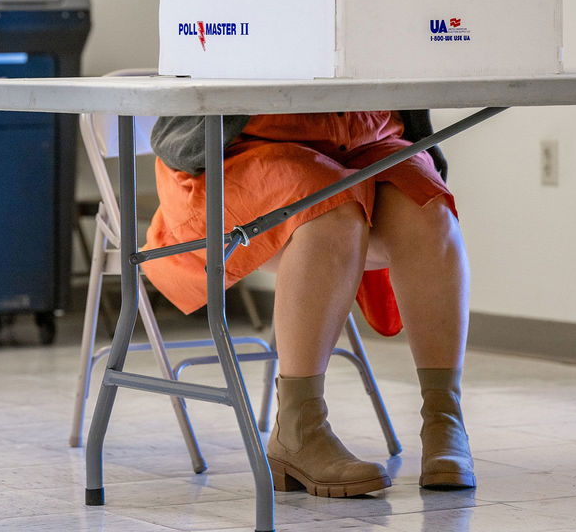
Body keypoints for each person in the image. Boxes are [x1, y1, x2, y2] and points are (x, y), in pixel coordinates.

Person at [145, 110, 473, 498]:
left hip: (369, 137)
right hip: (246, 149)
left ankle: (444, 418)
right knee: (330, 210)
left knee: (429, 212)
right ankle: (299, 428)